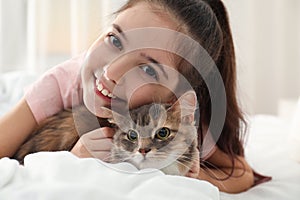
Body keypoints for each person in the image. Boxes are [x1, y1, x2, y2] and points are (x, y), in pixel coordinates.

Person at [0, 0, 257, 193]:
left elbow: (242, 173)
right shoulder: (64, 82)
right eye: (115, 40)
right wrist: (71, 160)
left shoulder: (176, 117)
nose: (111, 71)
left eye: (147, 69)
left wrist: (185, 173)